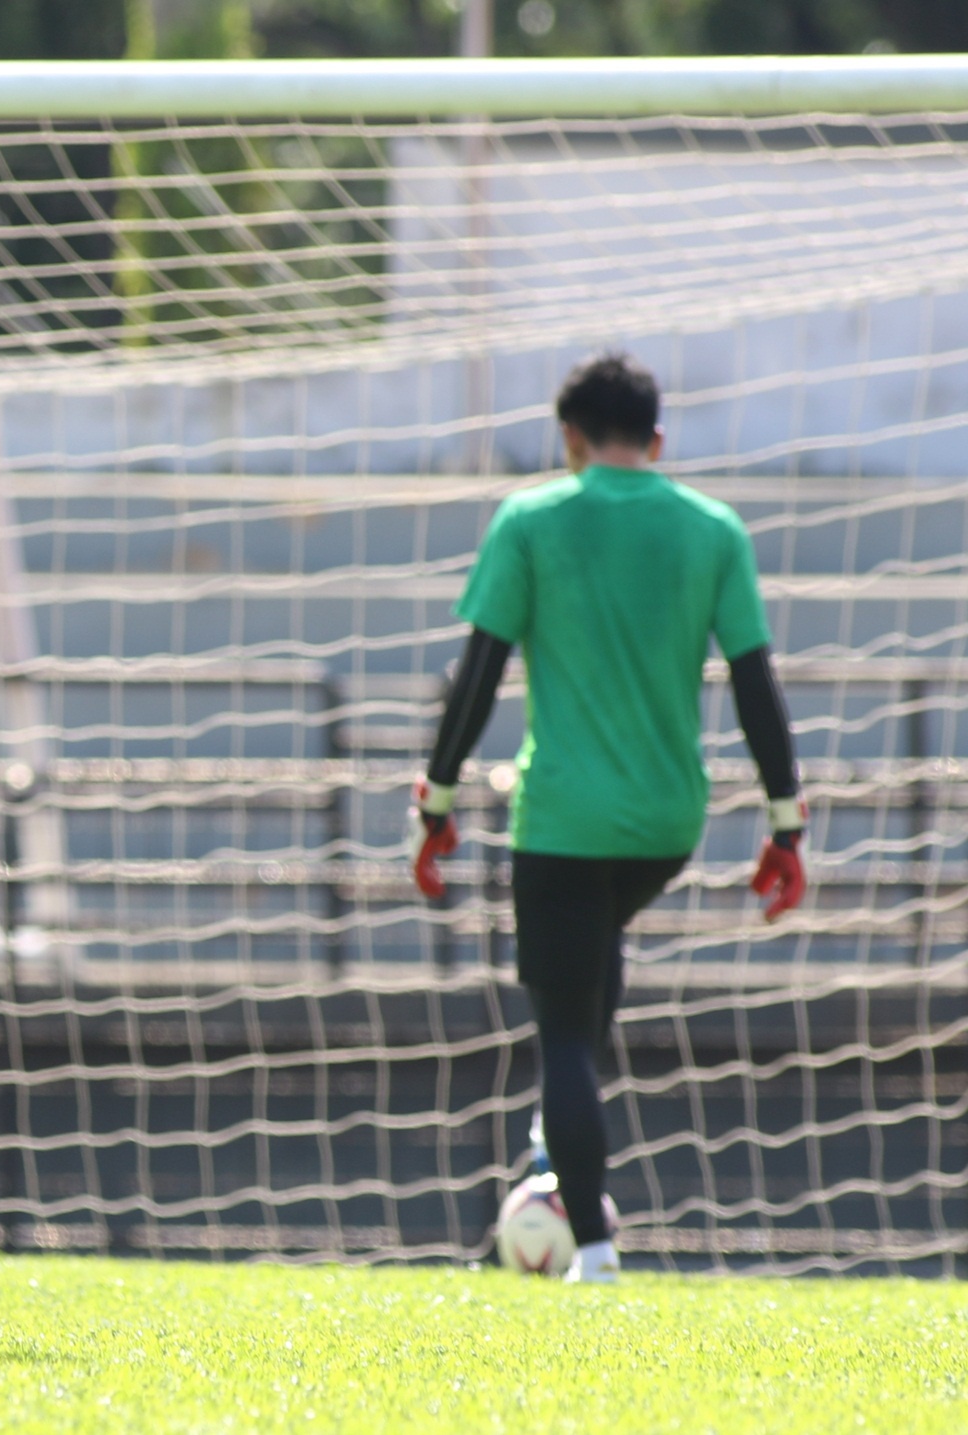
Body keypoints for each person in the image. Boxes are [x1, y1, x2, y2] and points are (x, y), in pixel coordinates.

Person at [408, 351, 804, 1285]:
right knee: (591, 979)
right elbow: (757, 685)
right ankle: (551, 1179)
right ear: (658, 441)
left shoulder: (536, 518)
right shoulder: (713, 528)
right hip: (668, 824)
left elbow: (478, 674)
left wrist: (436, 800)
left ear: (571, 441)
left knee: (565, 1036)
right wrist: (787, 825)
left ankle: (588, 1246)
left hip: (563, 822)